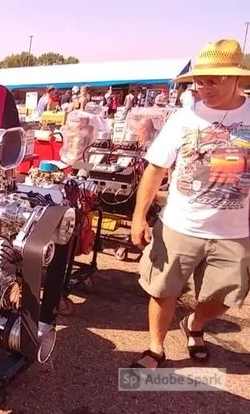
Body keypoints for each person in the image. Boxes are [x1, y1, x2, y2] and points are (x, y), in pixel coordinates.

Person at [130, 38, 250, 369]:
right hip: (180, 224)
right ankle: (156, 347)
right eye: (199, 80)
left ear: (237, 78)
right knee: (162, 290)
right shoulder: (184, 117)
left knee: (226, 296)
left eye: (214, 80)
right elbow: (156, 168)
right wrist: (139, 217)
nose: (204, 87)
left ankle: (195, 324)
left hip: (235, 230)